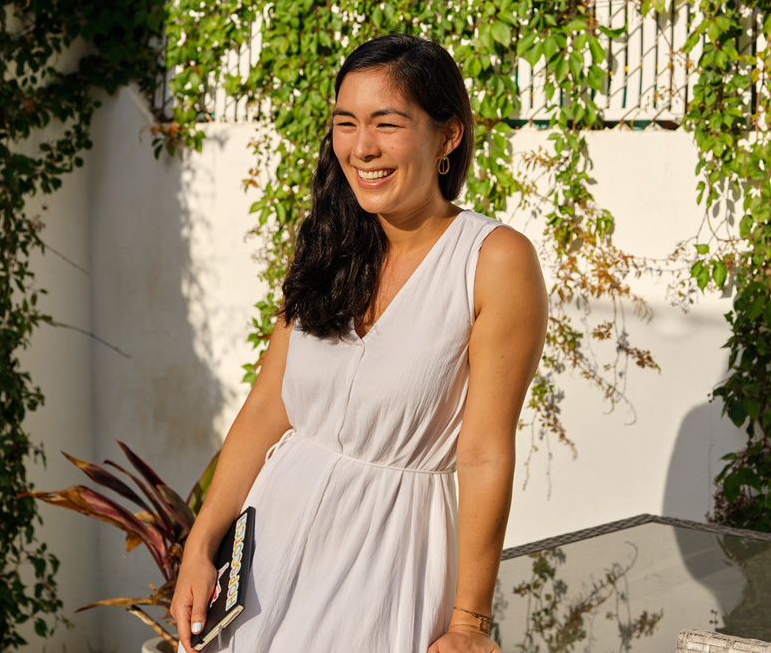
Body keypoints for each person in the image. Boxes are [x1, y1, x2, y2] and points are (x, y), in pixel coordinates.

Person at [170, 33, 548, 653]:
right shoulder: (329, 243)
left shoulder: (493, 260)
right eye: (346, 123)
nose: (362, 147)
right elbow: (268, 406)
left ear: (448, 135)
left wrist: (469, 624)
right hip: (268, 553)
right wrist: (201, 542)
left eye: (387, 123)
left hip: (387, 558)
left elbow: (483, 453)